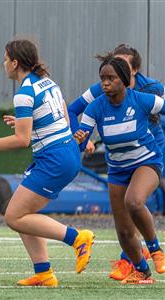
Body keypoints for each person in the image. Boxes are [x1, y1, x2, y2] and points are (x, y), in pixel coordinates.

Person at [0, 39, 94, 287]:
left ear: (15, 62)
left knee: (13, 216)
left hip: (53, 158)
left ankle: (77, 238)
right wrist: (30, 122)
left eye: (5, 58)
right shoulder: (48, 82)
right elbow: (61, 114)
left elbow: (21, 140)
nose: (3, 64)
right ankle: (43, 273)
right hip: (65, 153)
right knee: (23, 213)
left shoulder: (24, 93)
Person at [68, 44, 165, 280]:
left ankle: (156, 249)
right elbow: (83, 135)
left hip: (147, 162)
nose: (105, 83)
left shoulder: (142, 99)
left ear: (124, 79)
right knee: (123, 230)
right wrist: (80, 140)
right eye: (102, 78)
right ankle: (142, 270)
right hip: (118, 169)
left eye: (111, 78)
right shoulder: (96, 107)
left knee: (134, 201)